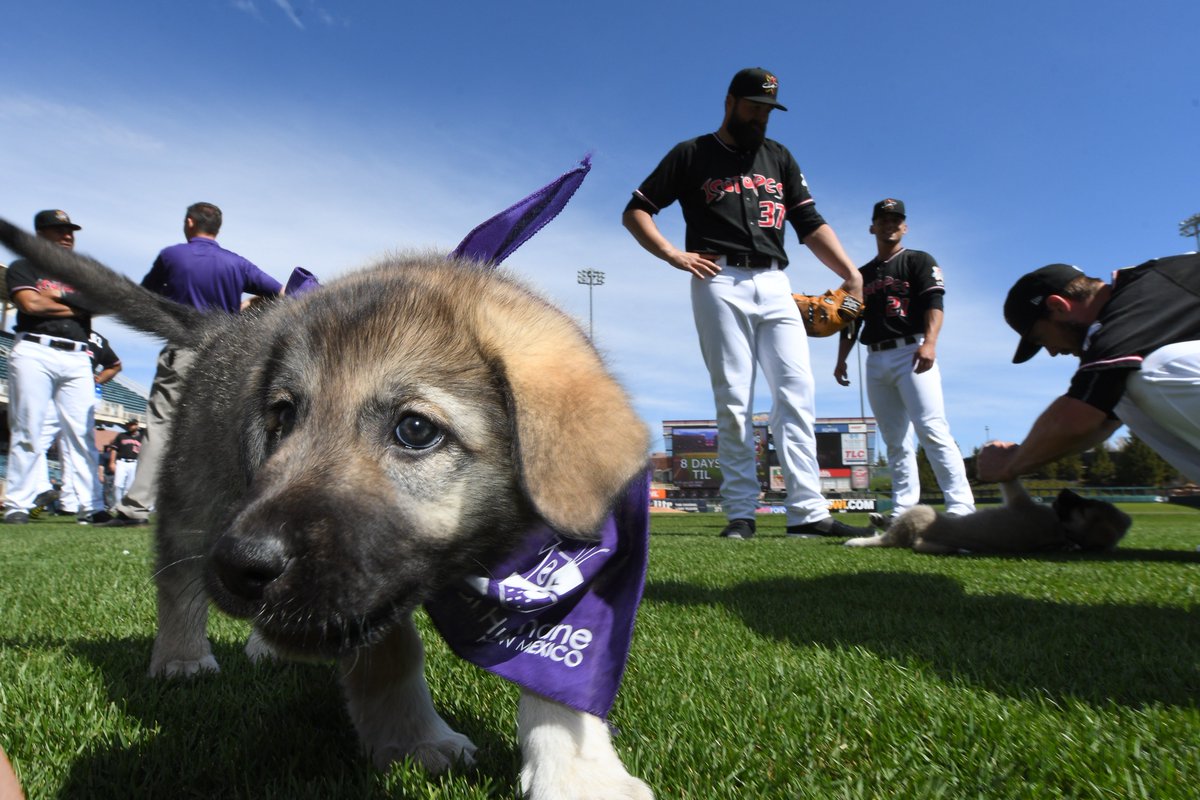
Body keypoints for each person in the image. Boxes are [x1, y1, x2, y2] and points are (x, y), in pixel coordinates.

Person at [623, 67, 869, 540]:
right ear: (730, 101)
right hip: (718, 279)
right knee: (734, 399)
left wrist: (851, 274)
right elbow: (637, 209)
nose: (761, 117)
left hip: (777, 283)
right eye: (754, 106)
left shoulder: (778, 156)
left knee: (798, 395)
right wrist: (673, 253)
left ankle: (807, 512)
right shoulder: (692, 153)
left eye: (769, 110)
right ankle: (741, 512)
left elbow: (809, 223)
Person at [101, 202, 283, 526]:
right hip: (226, 355)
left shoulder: (173, 256)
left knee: (161, 426)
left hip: (184, 347)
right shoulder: (235, 263)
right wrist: (246, 305)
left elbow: (142, 299)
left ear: (189, 223)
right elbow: (283, 291)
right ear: (217, 228)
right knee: (226, 431)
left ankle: (136, 507)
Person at [977, 254, 1200, 484]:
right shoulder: (1140, 295)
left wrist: (1009, 464)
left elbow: (1077, 418)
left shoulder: (1128, 316)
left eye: (1041, 338)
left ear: (1058, 306)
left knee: (1154, 372)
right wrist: (1023, 456)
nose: (1052, 351)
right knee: (1122, 394)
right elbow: (1099, 421)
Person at [834, 199, 975, 520]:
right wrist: (841, 359)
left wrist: (931, 342)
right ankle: (903, 511)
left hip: (912, 351)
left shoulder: (918, 260)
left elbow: (934, 302)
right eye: (883, 220)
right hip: (875, 358)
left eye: (896, 220)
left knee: (931, 429)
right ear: (872, 227)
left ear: (905, 226)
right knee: (895, 440)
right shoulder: (863, 274)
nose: (890, 225)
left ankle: (961, 508)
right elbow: (850, 321)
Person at [3, 210, 105, 524]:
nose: (67, 236)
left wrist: (58, 295)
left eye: (70, 230)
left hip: (77, 356)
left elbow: (101, 303)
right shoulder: (24, 267)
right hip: (35, 349)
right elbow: (30, 304)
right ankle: (18, 503)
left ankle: (93, 506)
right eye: (58, 229)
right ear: (39, 234)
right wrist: (77, 307)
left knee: (82, 432)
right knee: (29, 428)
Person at [35, 329, 121, 520]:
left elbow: (115, 365)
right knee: (73, 447)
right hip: (76, 390)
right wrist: (97, 380)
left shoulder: (76, 332)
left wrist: (97, 379)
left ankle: (47, 490)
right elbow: (115, 365)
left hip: (66, 389)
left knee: (41, 438)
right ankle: (72, 502)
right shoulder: (95, 337)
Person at [108, 419, 143, 505]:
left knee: (129, 487)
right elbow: (114, 450)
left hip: (134, 463)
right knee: (117, 485)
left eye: (132, 424)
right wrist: (112, 462)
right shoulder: (121, 436)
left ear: (137, 425)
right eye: (128, 424)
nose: (130, 426)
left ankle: (125, 506)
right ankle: (117, 505)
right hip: (122, 462)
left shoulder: (142, 438)